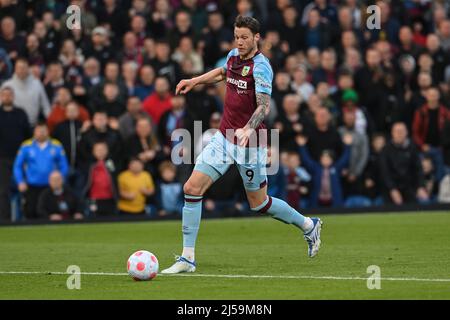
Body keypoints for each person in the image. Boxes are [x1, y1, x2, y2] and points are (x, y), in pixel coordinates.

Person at [161, 16, 322, 275]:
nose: (240, 41)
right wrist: (194, 80)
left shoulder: (261, 67)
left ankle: (307, 225)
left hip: (251, 142)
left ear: (257, 37)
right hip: (224, 138)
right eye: (237, 36)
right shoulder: (234, 56)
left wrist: (248, 128)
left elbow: (263, 105)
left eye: (245, 37)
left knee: (259, 203)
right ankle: (187, 259)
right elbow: (223, 73)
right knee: (191, 187)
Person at [13, 123, 69, 219]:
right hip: (32, 185)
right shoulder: (26, 146)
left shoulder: (56, 145)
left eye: (44, 131)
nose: (41, 133)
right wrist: (20, 182)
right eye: (39, 131)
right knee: (31, 210)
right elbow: (17, 166)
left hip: (50, 186)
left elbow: (64, 165)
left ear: (48, 132)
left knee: (50, 211)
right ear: (34, 132)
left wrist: (61, 178)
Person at [0, 86, 31, 221]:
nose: (7, 97)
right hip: (2, 159)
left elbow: (28, 135)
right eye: (4, 95)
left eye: (10, 95)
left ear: (13, 96)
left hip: (21, 158)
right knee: (3, 191)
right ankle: (5, 220)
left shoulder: (21, 113)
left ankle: (27, 216)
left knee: (26, 187)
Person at [379, 122, 429, 205]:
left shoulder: (412, 148)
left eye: (401, 131)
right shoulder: (385, 150)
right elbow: (385, 173)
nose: (399, 134)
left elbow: (418, 169)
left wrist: (420, 186)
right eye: (397, 131)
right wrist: (393, 189)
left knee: (421, 202)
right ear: (392, 133)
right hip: (390, 189)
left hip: (409, 188)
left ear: (406, 132)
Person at [297, 134, 352, 208]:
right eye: (323, 158)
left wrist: (347, 146)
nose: (325, 160)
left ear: (332, 160)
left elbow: (345, 159)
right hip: (317, 201)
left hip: (334, 201)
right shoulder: (316, 168)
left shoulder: (336, 168)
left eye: (328, 158)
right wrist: (302, 146)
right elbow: (306, 160)